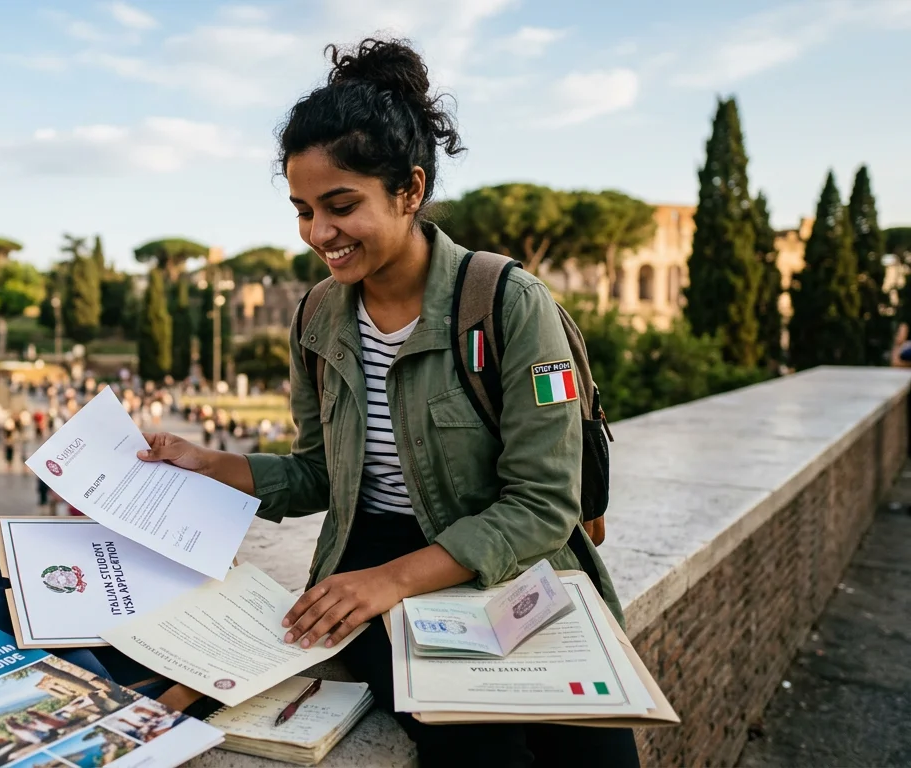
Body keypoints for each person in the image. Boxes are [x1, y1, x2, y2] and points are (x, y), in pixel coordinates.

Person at [133, 38, 636, 767]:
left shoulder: (507, 302)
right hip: (365, 565)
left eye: (340, 206)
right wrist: (209, 463)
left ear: (409, 190)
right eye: (303, 210)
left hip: (509, 567)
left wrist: (391, 582)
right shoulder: (316, 318)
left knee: (598, 755)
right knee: (476, 750)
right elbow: (319, 473)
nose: (317, 234)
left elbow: (542, 505)